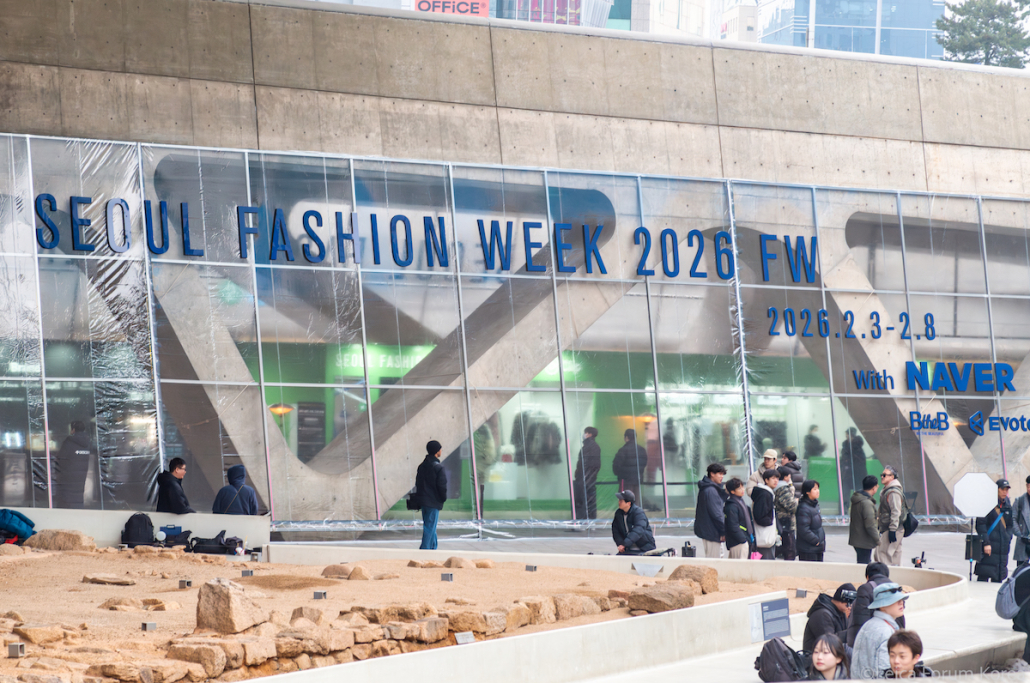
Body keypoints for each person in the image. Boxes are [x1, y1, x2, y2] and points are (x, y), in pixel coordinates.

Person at [851, 582, 908, 680]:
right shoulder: (885, 631)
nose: (901, 602)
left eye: (901, 599)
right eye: (895, 600)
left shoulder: (869, 624)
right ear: (882, 606)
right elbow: (885, 673)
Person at [848, 562, 906, 647]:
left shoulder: (865, 589)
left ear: (867, 577)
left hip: (874, 639)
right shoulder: (896, 587)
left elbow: (861, 620)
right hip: (896, 635)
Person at [974, 478, 1013, 583]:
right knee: (983, 576)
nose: (1005, 492)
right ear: (996, 489)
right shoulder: (987, 504)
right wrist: (986, 543)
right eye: (1002, 489)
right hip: (989, 546)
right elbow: (980, 525)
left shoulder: (1008, 505)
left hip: (1002, 547)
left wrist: (1008, 536)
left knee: (997, 579)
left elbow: (1010, 524)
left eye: (1006, 490)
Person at [51, 420, 95, 509]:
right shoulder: (87, 443)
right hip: (81, 476)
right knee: (78, 496)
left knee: (66, 499)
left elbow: (61, 459)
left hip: (68, 477)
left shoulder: (69, 442)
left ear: (73, 430)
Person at [803, 583, 856, 653]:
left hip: (831, 656)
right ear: (844, 601)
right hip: (817, 657)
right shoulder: (822, 614)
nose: (851, 607)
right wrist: (852, 632)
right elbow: (829, 642)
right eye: (851, 604)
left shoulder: (841, 612)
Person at [415, 440, 447, 550]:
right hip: (433, 502)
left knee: (430, 526)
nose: (441, 451)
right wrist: (442, 498)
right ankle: (425, 550)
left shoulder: (422, 466)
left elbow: (418, 483)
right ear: (437, 451)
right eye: (440, 449)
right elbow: (442, 486)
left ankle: (433, 548)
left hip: (423, 501)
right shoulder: (438, 468)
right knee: (429, 527)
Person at [695, 463, 729, 558]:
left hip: (709, 530)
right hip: (712, 532)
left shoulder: (709, 488)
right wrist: (723, 531)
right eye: (720, 474)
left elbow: (717, 504)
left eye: (722, 474)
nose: (722, 477)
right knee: (714, 561)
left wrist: (725, 493)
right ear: (712, 474)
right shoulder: (710, 490)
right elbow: (716, 513)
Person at [875, 466, 905, 566]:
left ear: (892, 477)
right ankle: (895, 573)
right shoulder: (888, 490)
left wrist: (892, 529)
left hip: (891, 528)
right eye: (881, 475)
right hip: (894, 527)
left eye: (884, 475)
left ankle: (884, 574)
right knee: (895, 554)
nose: (882, 477)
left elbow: (896, 512)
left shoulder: (893, 492)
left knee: (882, 555)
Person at [612, 490, 656, 555]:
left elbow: (638, 530)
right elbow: (615, 530)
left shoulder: (638, 513)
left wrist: (625, 544)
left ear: (628, 503)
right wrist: (620, 544)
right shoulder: (618, 513)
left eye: (621, 501)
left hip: (644, 548)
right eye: (619, 500)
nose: (619, 502)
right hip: (628, 548)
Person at [850, 475, 880, 564]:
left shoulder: (858, 498)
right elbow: (870, 525)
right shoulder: (866, 503)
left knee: (862, 562)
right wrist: (878, 540)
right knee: (864, 564)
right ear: (874, 488)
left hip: (857, 539)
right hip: (864, 540)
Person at [573, 427, 601, 520]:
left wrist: (579, 474)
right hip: (591, 478)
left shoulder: (587, 447)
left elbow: (582, 463)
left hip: (583, 477)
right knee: (591, 499)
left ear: (589, 434)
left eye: (585, 433)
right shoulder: (596, 447)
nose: (584, 434)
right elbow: (597, 465)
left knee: (582, 499)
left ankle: (583, 519)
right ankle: (591, 518)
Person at [612, 429, 646, 505]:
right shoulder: (642, 450)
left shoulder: (623, 450)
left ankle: (627, 513)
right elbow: (644, 464)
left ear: (626, 437)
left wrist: (619, 474)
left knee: (625, 501)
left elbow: (617, 465)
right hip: (637, 479)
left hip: (626, 479)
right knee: (636, 500)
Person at [723, 477, 755, 560]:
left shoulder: (740, 502)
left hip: (745, 540)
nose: (742, 489)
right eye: (739, 488)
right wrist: (743, 540)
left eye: (742, 487)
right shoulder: (732, 506)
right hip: (738, 543)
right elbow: (733, 525)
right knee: (740, 566)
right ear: (732, 491)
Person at [752, 468, 778, 559]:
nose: (776, 481)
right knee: (766, 562)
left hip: (766, 535)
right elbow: (760, 515)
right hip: (764, 536)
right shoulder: (765, 494)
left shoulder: (767, 493)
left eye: (777, 478)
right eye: (773, 478)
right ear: (766, 480)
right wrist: (770, 521)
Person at [797, 480, 826, 562]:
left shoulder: (814, 505)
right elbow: (803, 529)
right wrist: (815, 541)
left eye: (818, 488)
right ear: (807, 492)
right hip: (808, 548)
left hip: (817, 547)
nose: (818, 491)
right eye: (815, 489)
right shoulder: (804, 508)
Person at [775, 464, 799, 561]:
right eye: (789, 475)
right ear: (786, 477)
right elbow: (792, 507)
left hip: (781, 522)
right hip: (786, 522)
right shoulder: (783, 489)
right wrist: (796, 501)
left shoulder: (777, 487)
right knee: (789, 549)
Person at [840, 427, 867, 502]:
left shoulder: (857, 447)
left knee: (858, 494)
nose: (846, 436)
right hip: (847, 474)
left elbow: (859, 461)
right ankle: (844, 508)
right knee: (845, 493)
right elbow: (843, 459)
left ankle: (858, 507)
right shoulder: (845, 446)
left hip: (857, 474)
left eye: (847, 434)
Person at [1014, 475, 1030, 567]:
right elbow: (1013, 519)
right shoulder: (1019, 501)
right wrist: (1019, 533)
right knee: (1021, 569)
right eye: (1028, 486)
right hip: (1023, 540)